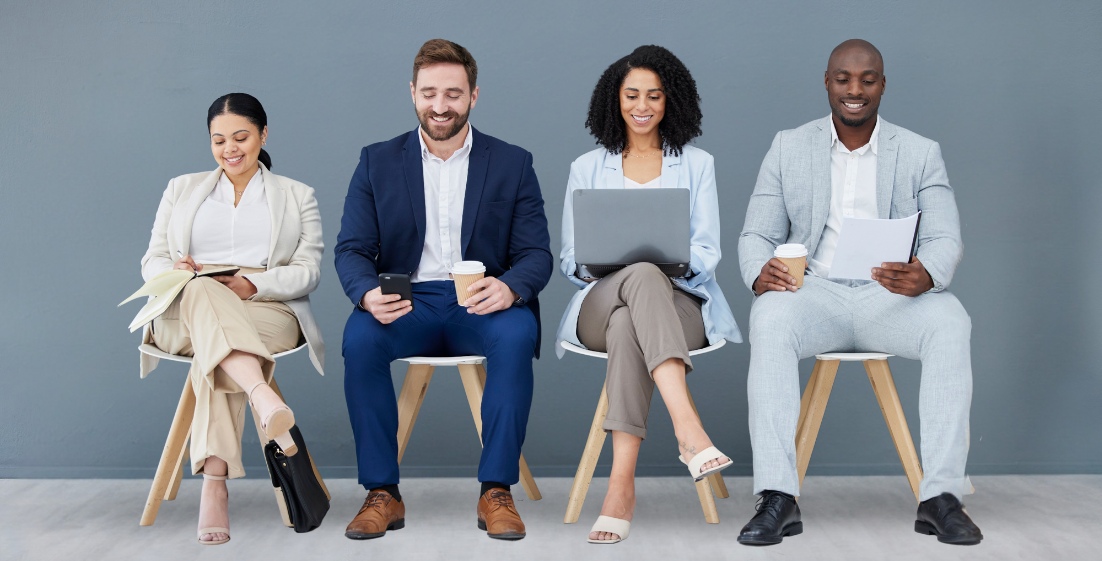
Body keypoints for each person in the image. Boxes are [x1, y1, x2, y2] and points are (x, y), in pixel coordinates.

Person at [736, 39, 982, 546]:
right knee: (769, 318)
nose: (854, 89)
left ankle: (941, 497)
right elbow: (755, 233)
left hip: (888, 298)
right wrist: (759, 272)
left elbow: (944, 237)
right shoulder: (789, 145)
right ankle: (777, 496)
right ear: (826, 81)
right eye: (843, 78)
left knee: (951, 319)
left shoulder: (919, 152)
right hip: (815, 294)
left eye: (867, 79)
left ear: (882, 85)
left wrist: (928, 274)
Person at [335, 38, 552, 542]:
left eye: (453, 93)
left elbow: (537, 254)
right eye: (429, 92)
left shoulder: (513, 163)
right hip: (406, 300)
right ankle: (381, 492)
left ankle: (497, 490)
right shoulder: (377, 161)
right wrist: (367, 294)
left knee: (518, 335)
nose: (440, 106)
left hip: (481, 301)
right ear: (412, 92)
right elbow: (351, 249)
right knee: (360, 340)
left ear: (474, 95)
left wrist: (512, 288)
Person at [557, 45, 742, 545]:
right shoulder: (587, 167)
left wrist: (668, 265)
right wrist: (617, 264)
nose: (643, 105)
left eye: (654, 96)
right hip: (599, 299)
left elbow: (707, 251)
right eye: (632, 94)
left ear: (671, 101)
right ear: (614, 100)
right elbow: (571, 260)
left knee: (629, 323)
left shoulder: (697, 165)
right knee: (635, 278)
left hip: (679, 302)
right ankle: (689, 429)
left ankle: (619, 487)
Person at [139, 93, 325, 545]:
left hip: (266, 308)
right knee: (205, 296)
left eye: (241, 136)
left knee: (217, 349)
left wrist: (252, 285)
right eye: (218, 140)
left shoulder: (297, 196)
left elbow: (308, 271)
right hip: (185, 307)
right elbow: (153, 260)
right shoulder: (181, 189)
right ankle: (263, 397)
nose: (230, 148)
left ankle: (214, 486)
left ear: (263, 134)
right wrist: (176, 273)